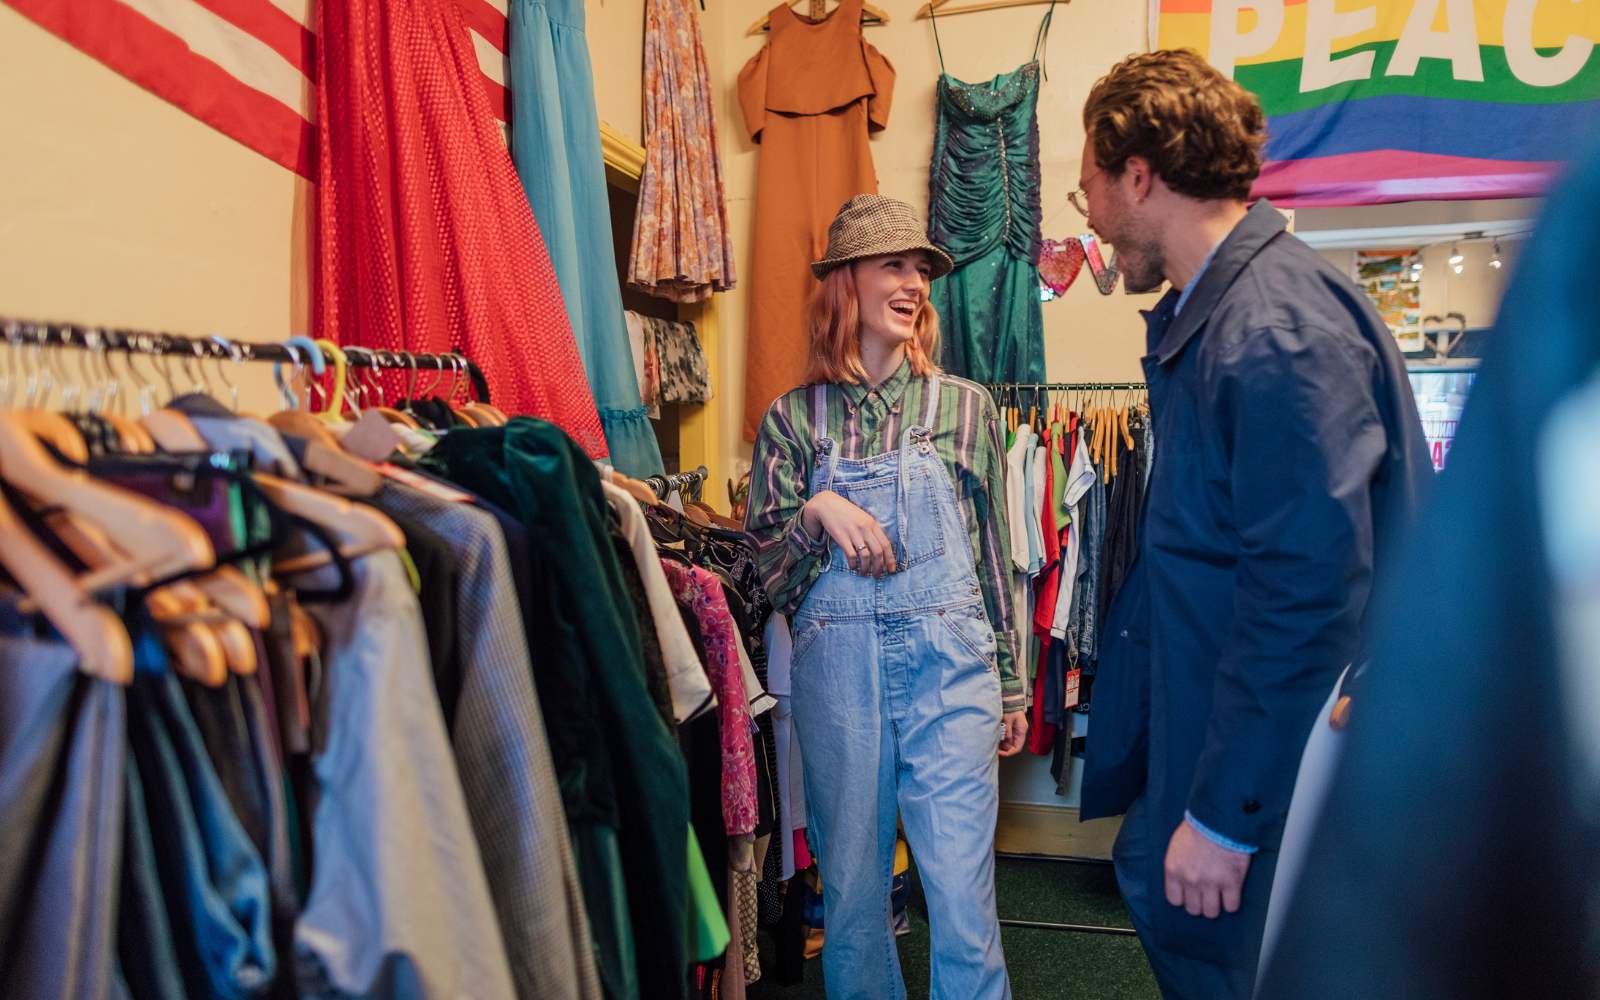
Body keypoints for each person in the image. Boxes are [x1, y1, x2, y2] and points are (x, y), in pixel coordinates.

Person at [1071, 50, 1432, 999]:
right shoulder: (1225, 313)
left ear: (1137, 175)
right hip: (1223, 731)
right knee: (1153, 878)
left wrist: (1227, 818)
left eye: (1088, 188)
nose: (1091, 217)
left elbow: (1305, 594)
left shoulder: (1273, 330)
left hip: (1274, 765)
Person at [746, 194, 1028, 1000]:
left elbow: (990, 555)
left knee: (964, 902)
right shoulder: (792, 421)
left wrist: (1010, 682)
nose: (914, 284)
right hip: (839, 677)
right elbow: (767, 574)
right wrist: (815, 511)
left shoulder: (966, 407)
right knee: (854, 900)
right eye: (893, 266)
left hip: (953, 667)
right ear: (846, 282)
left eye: (921, 270)